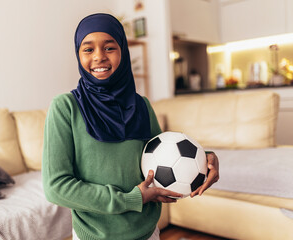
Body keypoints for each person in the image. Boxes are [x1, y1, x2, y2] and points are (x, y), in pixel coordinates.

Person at [42, 13, 219, 240]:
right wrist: (131, 198)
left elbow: (163, 155)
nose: (99, 57)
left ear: (123, 51)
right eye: (88, 49)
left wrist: (205, 159)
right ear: (78, 54)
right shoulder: (64, 107)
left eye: (109, 48)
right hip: (95, 236)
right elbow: (56, 187)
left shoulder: (142, 105)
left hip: (147, 232)